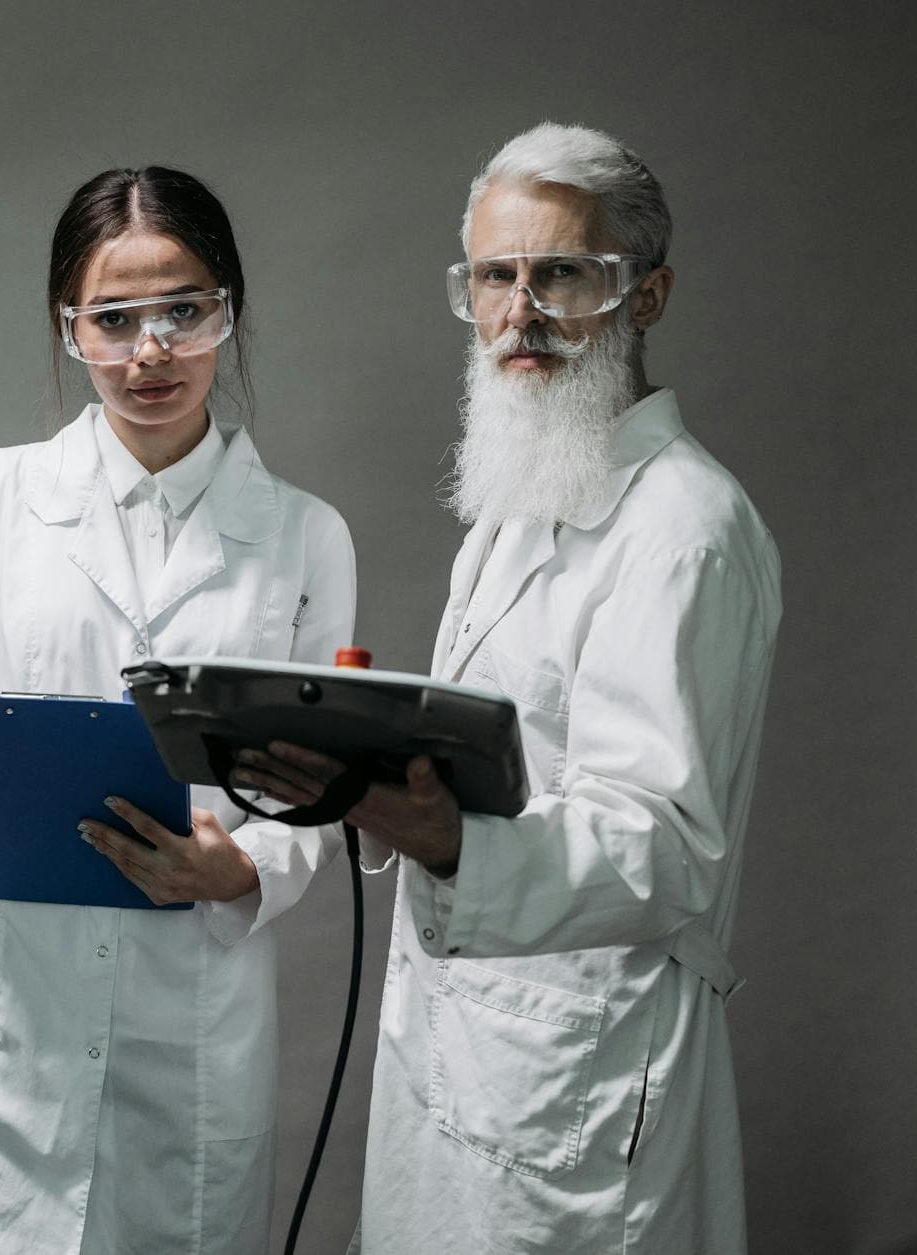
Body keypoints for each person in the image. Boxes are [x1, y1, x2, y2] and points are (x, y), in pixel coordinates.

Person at [238, 123, 782, 1252]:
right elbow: (498, 761)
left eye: (560, 274)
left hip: (579, 1082)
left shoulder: (682, 530)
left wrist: (449, 845)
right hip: (470, 1049)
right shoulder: (518, 501)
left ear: (644, 293)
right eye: (493, 276)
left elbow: (666, 845)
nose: (517, 311)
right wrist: (373, 772)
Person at [0, 167, 357, 1255]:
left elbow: (320, 794)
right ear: (67, 326)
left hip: (185, 1016)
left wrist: (241, 868)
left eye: (183, 310)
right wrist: (19, 792)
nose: (150, 350)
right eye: (113, 318)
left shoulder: (302, 538)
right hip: (2, 1007)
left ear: (226, 311)